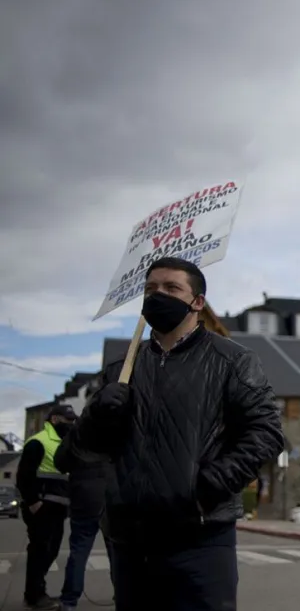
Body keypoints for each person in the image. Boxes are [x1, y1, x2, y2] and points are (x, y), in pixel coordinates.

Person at [63, 256, 284, 611]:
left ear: (197, 302)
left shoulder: (232, 360)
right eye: (150, 289)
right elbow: (76, 453)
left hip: (201, 535)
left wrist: (208, 486)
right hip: (130, 539)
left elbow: (267, 433)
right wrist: (97, 415)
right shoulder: (121, 370)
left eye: (171, 288)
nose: (157, 295)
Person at [54, 386, 116, 610]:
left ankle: (69, 601)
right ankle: (124, 596)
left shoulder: (78, 429)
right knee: (117, 551)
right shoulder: (116, 423)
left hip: (83, 496)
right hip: (111, 494)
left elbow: (61, 462)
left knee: (79, 551)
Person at [16, 405, 76, 610]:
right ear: (55, 419)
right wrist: (33, 502)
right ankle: (34, 596)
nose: (71, 424)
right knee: (40, 552)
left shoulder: (61, 443)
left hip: (57, 509)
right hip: (42, 508)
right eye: (68, 420)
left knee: (50, 552)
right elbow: (24, 475)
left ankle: (37, 591)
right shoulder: (39, 442)